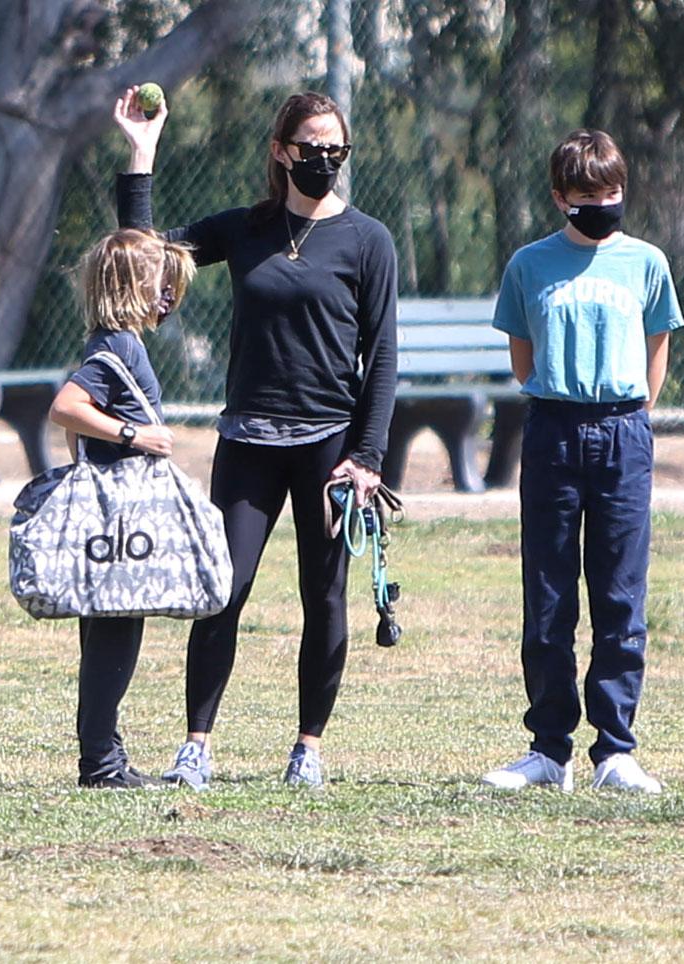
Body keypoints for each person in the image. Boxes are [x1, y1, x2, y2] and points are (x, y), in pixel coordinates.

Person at [111, 87, 399, 790]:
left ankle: (307, 749)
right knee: (222, 590)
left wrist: (366, 458)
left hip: (329, 447)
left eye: (336, 150)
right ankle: (196, 748)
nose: (324, 161)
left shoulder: (368, 240)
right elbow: (146, 259)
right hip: (248, 438)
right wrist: (141, 154)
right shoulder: (246, 229)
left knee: (323, 597)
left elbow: (383, 356)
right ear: (280, 151)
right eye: (311, 149)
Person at [481, 129, 684, 794]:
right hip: (553, 433)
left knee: (621, 596)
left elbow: (657, 347)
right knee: (548, 597)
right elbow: (522, 358)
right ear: (560, 198)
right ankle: (548, 750)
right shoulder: (529, 265)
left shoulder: (647, 263)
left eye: (612, 191)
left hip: (623, 433)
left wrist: (634, 410)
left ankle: (616, 749)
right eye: (586, 195)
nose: (602, 203)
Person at [48, 227, 197, 788]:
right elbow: (66, 407)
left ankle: (106, 752)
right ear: (132, 285)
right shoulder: (119, 347)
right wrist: (136, 435)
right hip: (120, 516)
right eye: (161, 284)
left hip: (109, 512)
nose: (168, 297)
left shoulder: (111, 341)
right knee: (116, 630)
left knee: (107, 630)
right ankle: (101, 764)